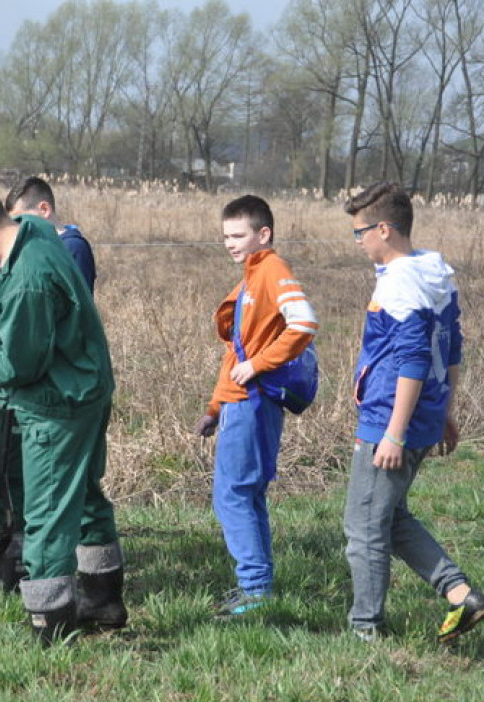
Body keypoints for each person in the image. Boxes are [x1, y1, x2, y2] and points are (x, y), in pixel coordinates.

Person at [0, 176, 126, 644]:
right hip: (88, 384)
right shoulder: (33, 228)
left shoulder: (27, 280)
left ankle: (50, 623)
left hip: (57, 402)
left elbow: (21, 364)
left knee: (45, 511)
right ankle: (103, 599)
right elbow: (36, 296)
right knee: (82, 493)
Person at [342, 181, 483, 643]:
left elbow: (413, 359)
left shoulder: (402, 281)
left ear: (384, 229)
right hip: (423, 416)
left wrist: (394, 432)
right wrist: (443, 410)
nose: (358, 241)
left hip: (390, 420)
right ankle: (461, 594)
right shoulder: (433, 271)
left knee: (363, 526)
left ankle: (366, 630)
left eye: (360, 232)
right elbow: (453, 346)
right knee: (390, 516)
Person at [194, 195, 318, 619]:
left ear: (263, 234)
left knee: (232, 496)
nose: (229, 243)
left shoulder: (271, 270)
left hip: (253, 401)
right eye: (225, 236)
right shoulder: (250, 277)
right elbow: (236, 352)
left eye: (238, 235)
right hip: (241, 402)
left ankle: (254, 590)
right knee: (248, 494)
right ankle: (258, 586)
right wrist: (214, 406)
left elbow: (303, 321)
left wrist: (258, 366)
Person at [4, 176, 97, 294]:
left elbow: (79, 303)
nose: (18, 226)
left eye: (21, 219)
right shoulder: (33, 246)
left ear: (44, 209)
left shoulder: (73, 247)